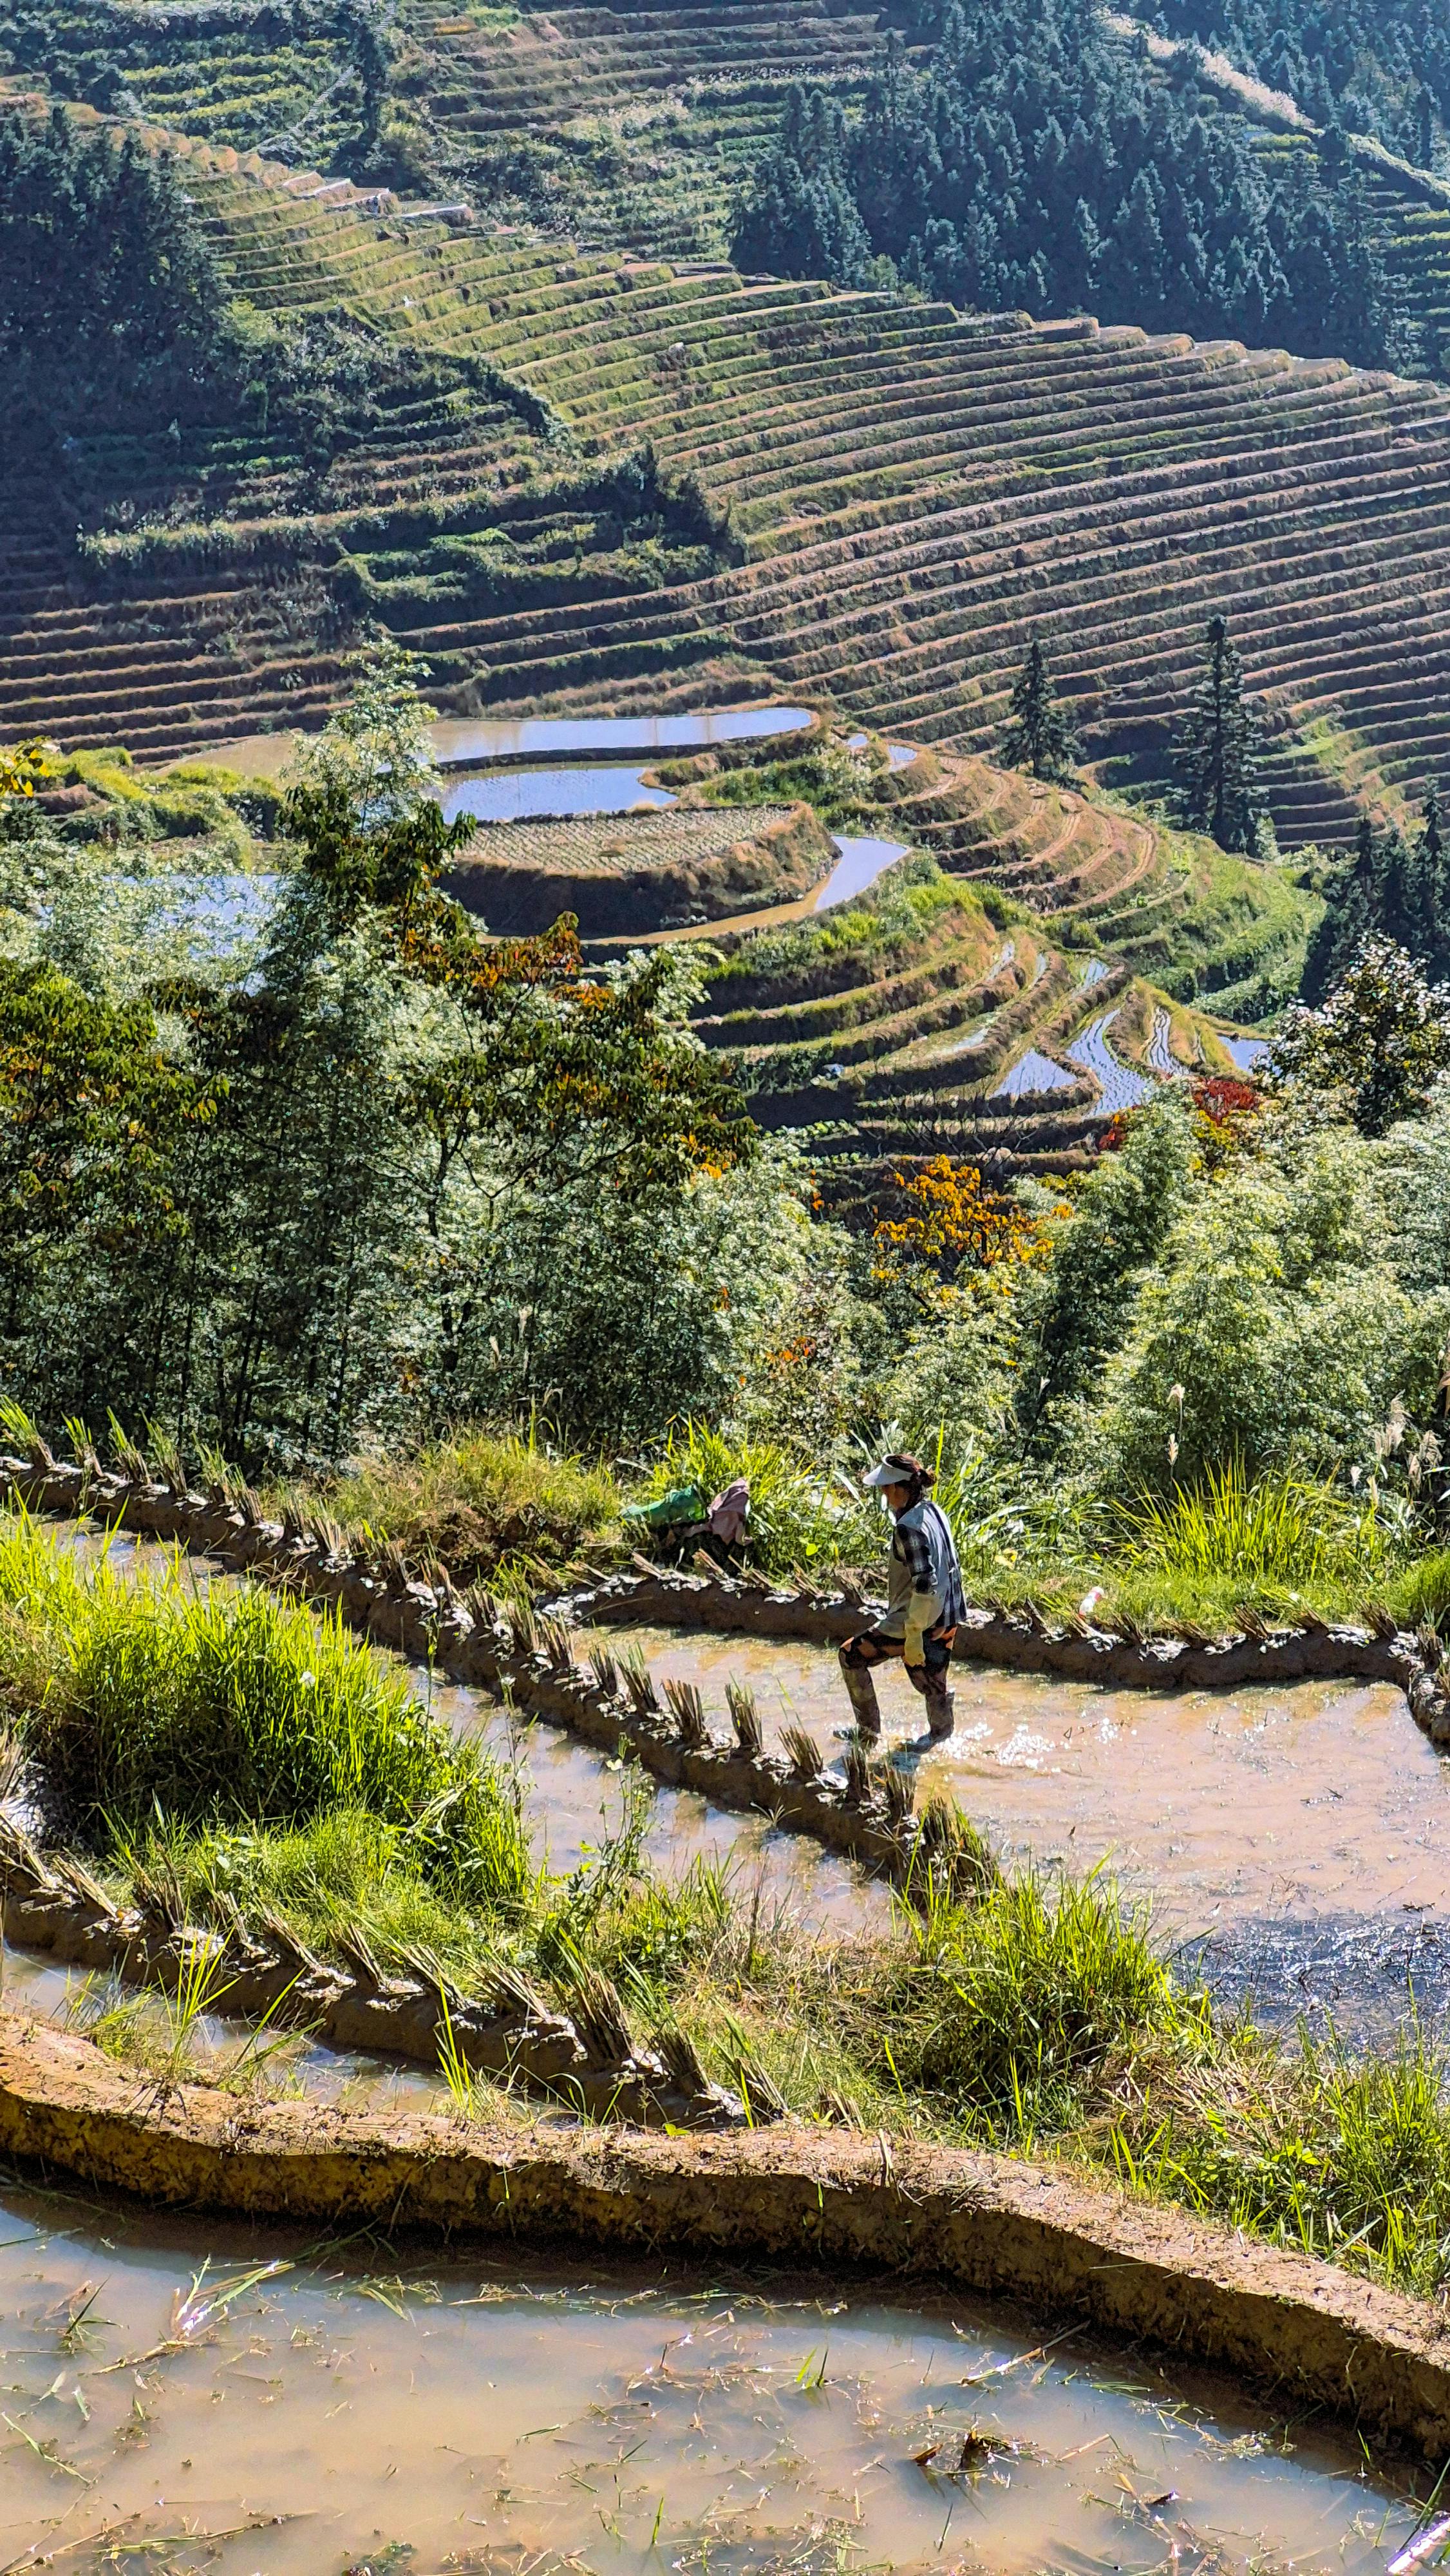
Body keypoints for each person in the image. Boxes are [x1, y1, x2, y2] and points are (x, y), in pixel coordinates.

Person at [839, 1451, 964, 1741]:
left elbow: (924, 1582)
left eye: (885, 1487)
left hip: (920, 1618)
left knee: (850, 1655)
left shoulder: (908, 1528)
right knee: (932, 1682)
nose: (883, 1493)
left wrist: (913, 1634)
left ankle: (868, 1733)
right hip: (948, 1612)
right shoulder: (934, 1510)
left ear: (898, 1487)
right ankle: (941, 1739)